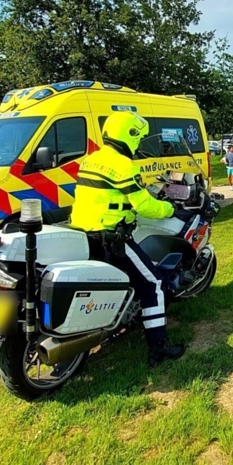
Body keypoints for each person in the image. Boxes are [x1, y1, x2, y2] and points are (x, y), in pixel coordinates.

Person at [70, 111, 186, 367]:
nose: (140, 143)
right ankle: (158, 348)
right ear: (130, 135)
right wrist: (170, 209)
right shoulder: (123, 166)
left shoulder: (90, 160)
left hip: (83, 232)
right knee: (153, 283)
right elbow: (144, 205)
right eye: (139, 138)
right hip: (111, 238)